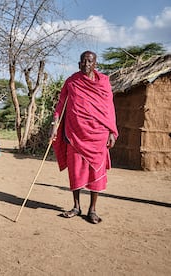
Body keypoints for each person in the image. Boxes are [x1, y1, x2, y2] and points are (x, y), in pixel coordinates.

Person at [50, 50, 118, 224]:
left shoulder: (103, 83)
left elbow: (109, 108)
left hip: (98, 135)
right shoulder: (72, 82)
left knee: (97, 170)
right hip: (75, 134)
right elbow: (61, 104)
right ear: (79, 63)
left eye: (90, 61)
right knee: (76, 171)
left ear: (95, 64)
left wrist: (111, 131)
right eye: (83, 61)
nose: (86, 64)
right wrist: (55, 125)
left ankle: (92, 209)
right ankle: (76, 206)